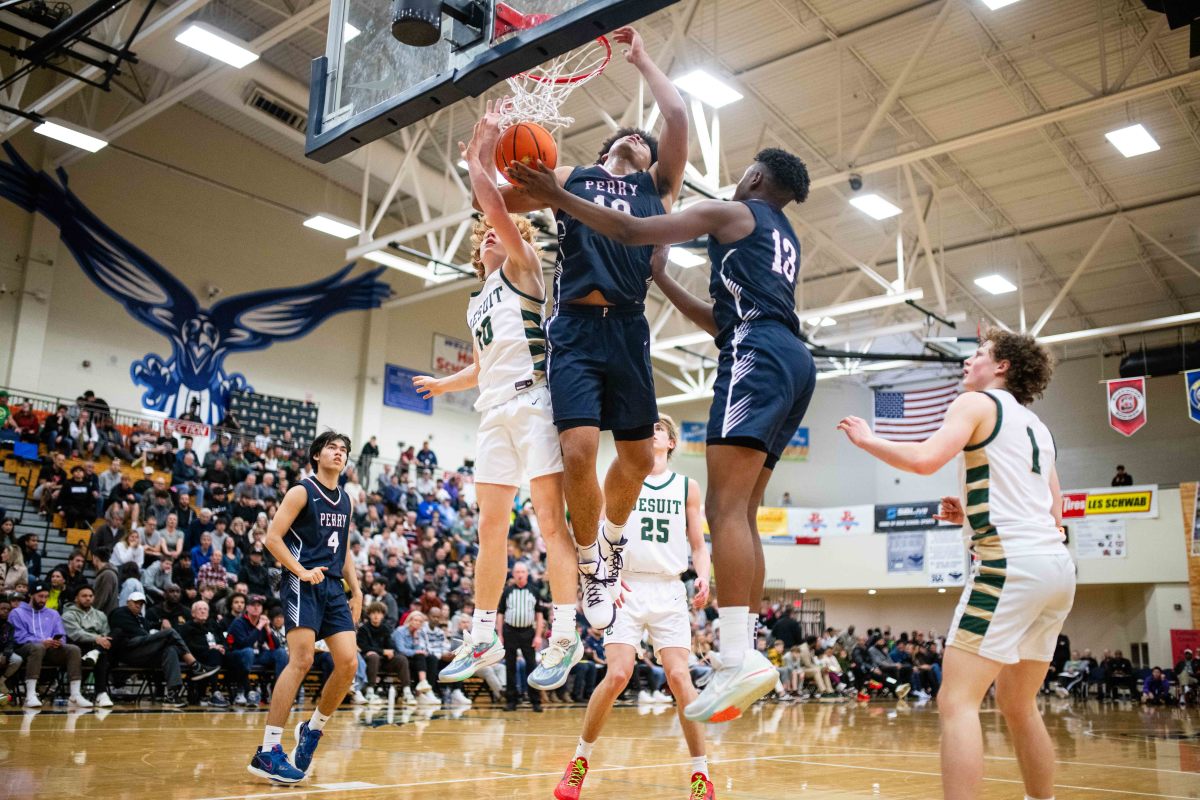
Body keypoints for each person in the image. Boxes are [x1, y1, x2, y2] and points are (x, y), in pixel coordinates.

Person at [509, 145, 812, 724]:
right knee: (746, 511)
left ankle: (735, 656)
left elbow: (627, 228)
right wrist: (663, 278)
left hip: (758, 354)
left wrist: (554, 196)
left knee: (724, 509)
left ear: (753, 177)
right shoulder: (786, 237)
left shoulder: (731, 211)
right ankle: (740, 653)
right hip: (795, 359)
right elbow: (721, 318)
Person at [491, 27, 689, 632]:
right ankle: (591, 564)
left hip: (627, 329)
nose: (638, 138)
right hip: (575, 325)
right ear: (609, 147)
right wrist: (503, 147)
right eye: (629, 135)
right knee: (578, 449)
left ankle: (609, 542)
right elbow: (503, 199)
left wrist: (643, 59)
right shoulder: (570, 176)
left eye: (645, 141)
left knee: (635, 457)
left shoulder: (655, 188)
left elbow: (676, 113)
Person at [838, 329, 1074, 800]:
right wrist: (968, 512)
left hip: (1010, 566)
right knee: (1018, 703)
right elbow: (1054, 512)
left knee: (956, 701)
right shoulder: (1038, 427)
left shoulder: (977, 405)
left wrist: (868, 440)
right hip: (1056, 568)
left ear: (1002, 366)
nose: (968, 362)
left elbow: (926, 460)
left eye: (980, 354)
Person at [414, 104, 579, 697]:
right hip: (492, 413)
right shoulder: (475, 302)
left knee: (548, 525)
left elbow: (495, 208)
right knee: (489, 527)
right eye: (482, 233)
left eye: (497, 228)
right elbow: (482, 366)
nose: (489, 232)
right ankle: (482, 630)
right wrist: (443, 385)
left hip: (533, 403)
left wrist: (480, 162)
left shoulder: (524, 265)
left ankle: (563, 633)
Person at [554, 414, 714, 800]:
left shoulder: (687, 487)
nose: (651, 430)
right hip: (625, 586)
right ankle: (579, 761)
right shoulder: (622, 476)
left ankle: (701, 773)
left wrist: (704, 575)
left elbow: (697, 544)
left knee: (679, 677)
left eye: (659, 427)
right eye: (649, 426)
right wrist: (606, 577)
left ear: (671, 443)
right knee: (618, 675)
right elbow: (599, 527)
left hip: (669, 588)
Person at [248, 432, 362, 784]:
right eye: (332, 448)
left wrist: (356, 590)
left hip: (331, 586)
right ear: (316, 455)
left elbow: (342, 550)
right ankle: (267, 751)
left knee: (348, 664)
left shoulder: (346, 500)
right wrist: (299, 570)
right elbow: (272, 539)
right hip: (301, 580)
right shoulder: (302, 491)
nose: (338, 454)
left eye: (343, 450)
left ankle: (311, 730)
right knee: (302, 660)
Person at [109, 591, 216, 707]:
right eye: (135, 602)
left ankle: (172, 695)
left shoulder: (140, 618)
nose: (138, 605)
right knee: (170, 633)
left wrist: (159, 623)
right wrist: (156, 635)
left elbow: (148, 627)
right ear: (128, 602)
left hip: (143, 653)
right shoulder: (120, 613)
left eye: (141, 603)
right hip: (128, 651)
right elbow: (137, 633)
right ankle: (195, 665)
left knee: (170, 650)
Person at [10, 581, 90, 707]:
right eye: (40, 596)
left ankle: (75, 694)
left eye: (46, 597)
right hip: (25, 649)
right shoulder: (17, 613)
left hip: (49, 650)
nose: (43, 600)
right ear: (31, 595)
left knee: (73, 649)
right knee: (37, 647)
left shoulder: (53, 613)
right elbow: (18, 637)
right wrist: (40, 641)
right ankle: (30, 695)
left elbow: (61, 634)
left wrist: (58, 642)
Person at [496, 561, 544, 712]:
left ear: (527, 574)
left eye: (522, 572)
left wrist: (538, 636)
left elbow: (539, 615)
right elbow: (501, 614)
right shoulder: (507, 591)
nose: (520, 574)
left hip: (528, 632)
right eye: (517, 572)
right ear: (513, 574)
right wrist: (500, 635)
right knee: (510, 666)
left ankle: (535, 700)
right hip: (510, 631)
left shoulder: (534, 591)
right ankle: (511, 701)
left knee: (531, 666)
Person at [61, 585, 114, 707]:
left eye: (90, 596)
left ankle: (101, 694)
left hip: (97, 647)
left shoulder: (100, 615)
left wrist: (101, 640)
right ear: (76, 598)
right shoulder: (68, 615)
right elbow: (76, 634)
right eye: (84, 596)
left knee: (115, 636)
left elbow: (105, 633)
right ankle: (101, 693)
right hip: (78, 648)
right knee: (102, 653)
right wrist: (96, 638)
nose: (88, 598)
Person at [0, 595, 24, 696]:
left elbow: (10, 642)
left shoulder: (9, 626)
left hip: (3, 653)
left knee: (17, 659)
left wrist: (6, 653)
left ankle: (1, 680)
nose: (6, 611)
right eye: (2, 609)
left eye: (8, 609)